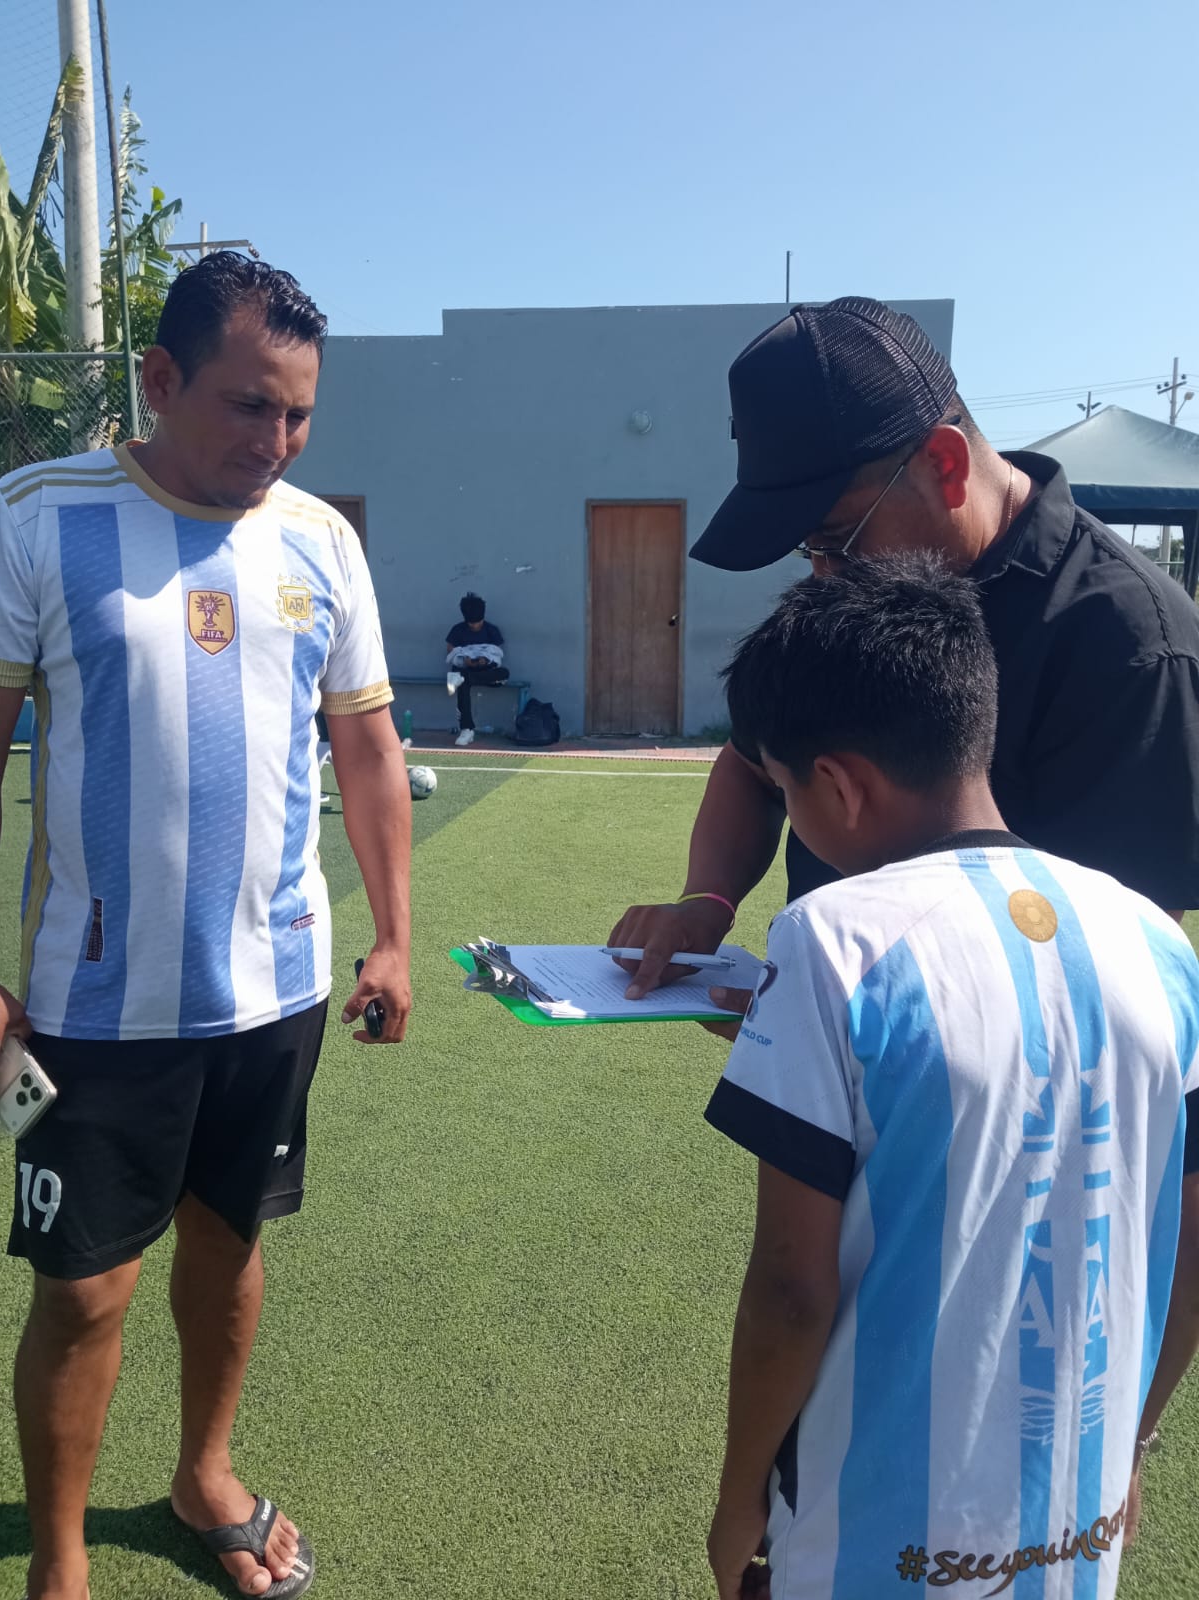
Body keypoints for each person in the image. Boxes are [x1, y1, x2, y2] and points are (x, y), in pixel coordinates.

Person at [609, 296, 1199, 1522]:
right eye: (808, 556)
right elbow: (751, 760)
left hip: (1023, 1204)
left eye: (834, 538)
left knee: (998, 1483)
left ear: (943, 462)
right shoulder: (868, 582)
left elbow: (1103, 1032)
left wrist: (1129, 1429)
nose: (822, 576)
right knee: (841, 1443)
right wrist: (711, 904)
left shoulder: (1132, 656)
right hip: (860, 1138)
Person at [0, 251, 412, 1600]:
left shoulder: (322, 540)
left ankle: (203, 1473)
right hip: (92, 1002)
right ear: (161, 379)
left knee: (230, 1249)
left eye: (299, 415)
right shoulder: (36, 517)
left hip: (274, 990)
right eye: (249, 406)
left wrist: (394, 936)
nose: (276, 441)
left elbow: (367, 751)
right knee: (84, 1289)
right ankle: (61, 1561)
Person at [700, 553, 1199, 1600]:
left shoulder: (831, 940)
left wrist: (739, 1497)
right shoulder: (1158, 941)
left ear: (838, 784)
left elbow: (791, 1292)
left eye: (786, 791)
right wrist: (1135, 1442)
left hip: (870, 1541)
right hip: (1077, 1529)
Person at [445, 591, 508, 746]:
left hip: (485, 673)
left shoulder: (491, 630)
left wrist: (485, 660)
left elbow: (497, 653)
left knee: (504, 673)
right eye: (471, 623)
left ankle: (464, 678)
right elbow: (450, 650)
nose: (474, 626)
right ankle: (466, 729)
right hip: (465, 670)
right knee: (462, 681)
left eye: (477, 622)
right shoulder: (458, 630)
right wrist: (466, 660)